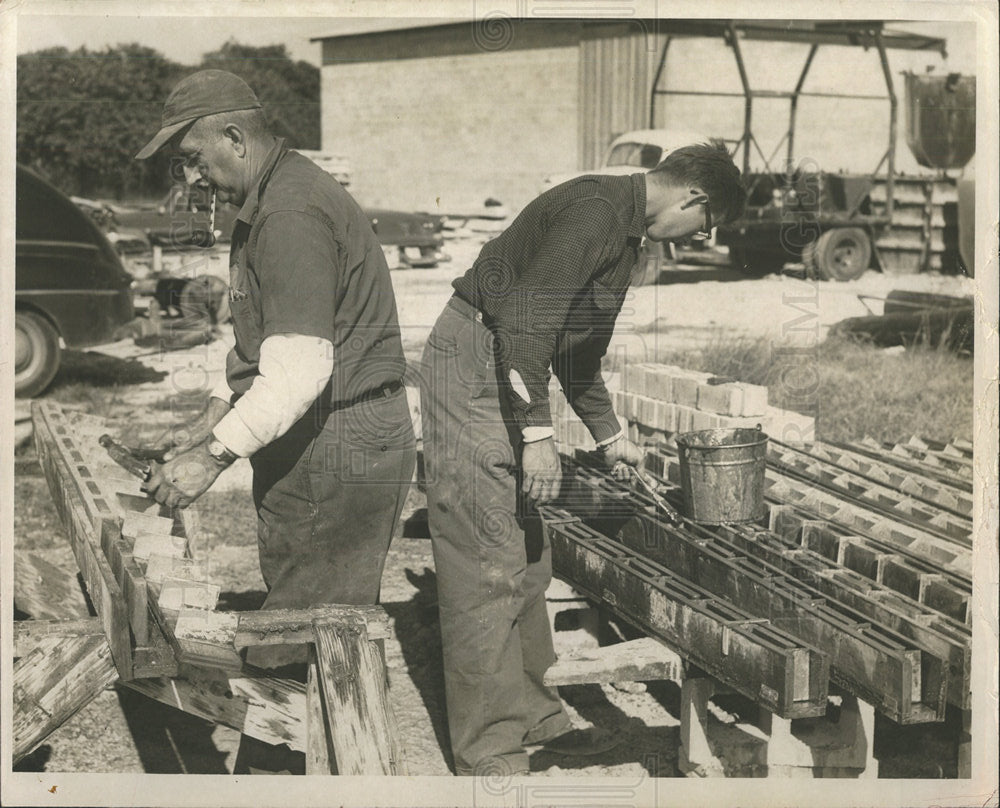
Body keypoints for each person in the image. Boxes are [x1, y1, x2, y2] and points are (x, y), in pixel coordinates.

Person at [419, 140, 746, 776]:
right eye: (704, 225)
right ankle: (490, 753)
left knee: (529, 556)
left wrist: (607, 433)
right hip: (475, 362)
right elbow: (527, 323)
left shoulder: (626, 234)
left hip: (509, 360)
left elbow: (577, 347)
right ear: (693, 197)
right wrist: (538, 435)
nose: (693, 237)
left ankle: (537, 720)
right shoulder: (597, 210)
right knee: (487, 562)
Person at [130, 70, 416, 773]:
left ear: (235, 136)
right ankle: (325, 760)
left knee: (298, 629)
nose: (194, 176)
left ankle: (275, 774)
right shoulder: (272, 200)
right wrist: (218, 414)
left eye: (196, 157)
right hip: (326, 432)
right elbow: (271, 348)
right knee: (317, 619)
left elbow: (299, 370)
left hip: (338, 436)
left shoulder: (289, 214)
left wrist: (212, 457)